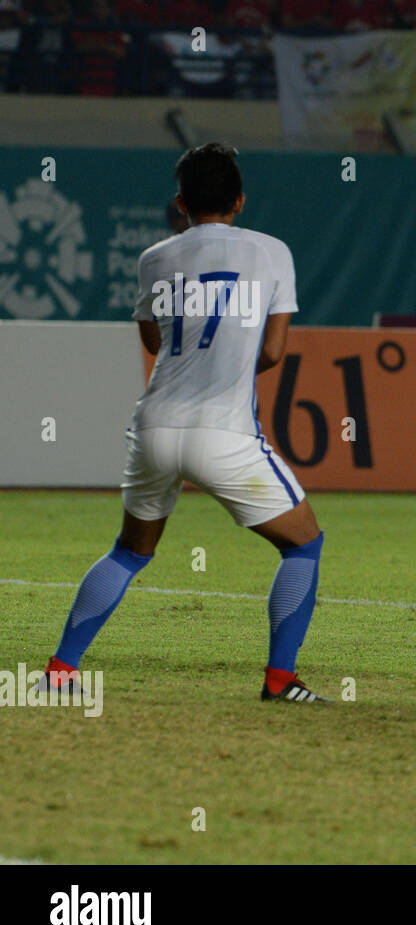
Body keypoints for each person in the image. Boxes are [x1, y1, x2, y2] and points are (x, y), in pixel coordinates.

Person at [42, 143, 328, 703]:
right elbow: (272, 352)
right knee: (303, 546)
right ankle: (280, 680)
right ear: (240, 200)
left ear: (181, 203)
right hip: (224, 432)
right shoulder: (273, 253)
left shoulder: (156, 258)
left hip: (154, 425)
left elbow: (153, 342)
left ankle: (60, 672)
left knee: (129, 551)